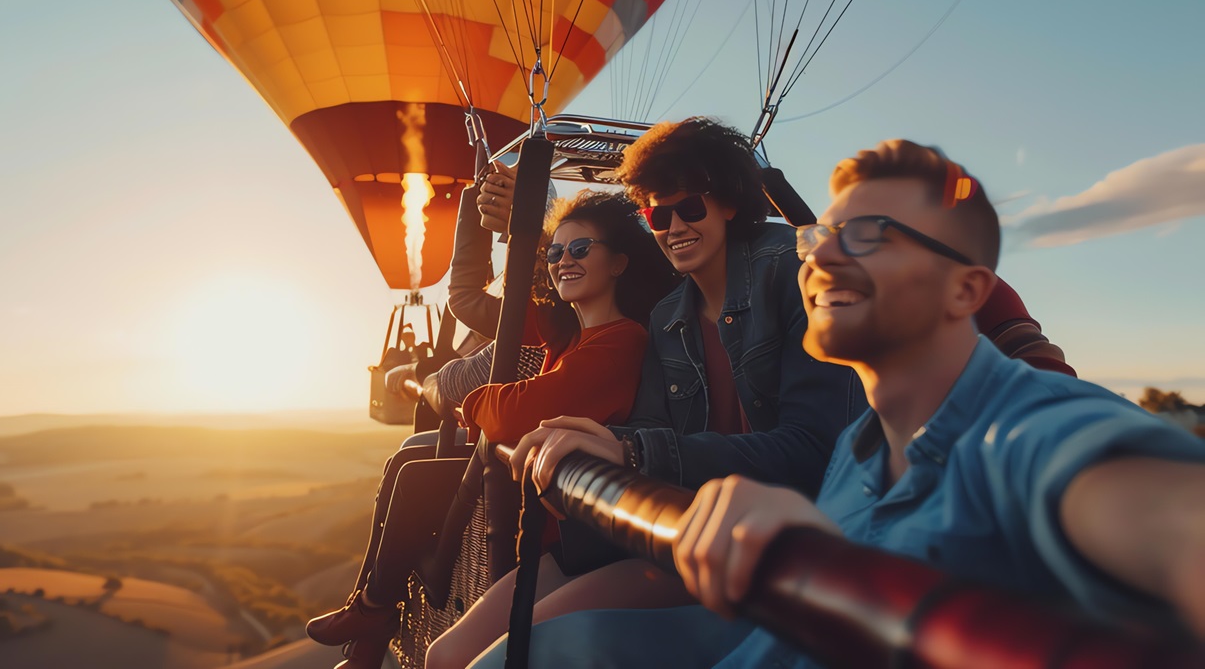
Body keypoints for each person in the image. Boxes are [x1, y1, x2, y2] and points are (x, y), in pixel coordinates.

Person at [471, 140, 1205, 667]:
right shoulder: (859, 448)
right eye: (822, 236)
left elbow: (1161, 515)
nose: (818, 256)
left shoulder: (1019, 428)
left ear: (967, 291)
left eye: (872, 238)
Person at [427, 118, 868, 668]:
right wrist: (604, 439)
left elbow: (812, 448)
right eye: (658, 213)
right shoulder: (668, 316)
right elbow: (650, 427)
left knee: (513, 654)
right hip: (676, 528)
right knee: (445, 656)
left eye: (690, 208)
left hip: (777, 548)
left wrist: (631, 450)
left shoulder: (794, 271)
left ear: (730, 202)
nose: (673, 226)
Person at [305, 189, 678, 669]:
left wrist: (459, 396)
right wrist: (477, 213)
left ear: (620, 263)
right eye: (556, 252)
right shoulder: (563, 328)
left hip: (570, 532)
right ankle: (372, 609)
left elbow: (513, 413)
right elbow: (470, 302)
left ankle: (374, 613)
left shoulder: (621, 341)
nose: (564, 260)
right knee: (411, 460)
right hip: (541, 515)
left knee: (421, 476)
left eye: (581, 249)